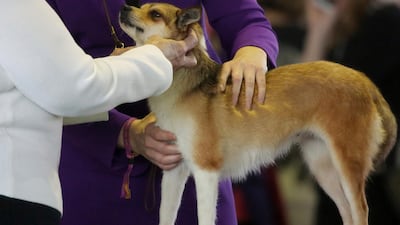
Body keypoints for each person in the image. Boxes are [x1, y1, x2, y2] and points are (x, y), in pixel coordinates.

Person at [46, 0, 279, 224]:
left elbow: (246, 20)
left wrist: (252, 52)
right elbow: (45, 83)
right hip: (94, 174)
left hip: (193, 161)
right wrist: (126, 132)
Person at [0, 1, 200, 225]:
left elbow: (39, 86)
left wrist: (117, 64)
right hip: (14, 195)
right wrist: (155, 58)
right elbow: (72, 89)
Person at [301, 0, 400, 224]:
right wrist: (319, 31)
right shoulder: (359, 24)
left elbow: (311, 102)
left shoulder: (384, 22)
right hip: (345, 176)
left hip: (361, 177)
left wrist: (318, 33)